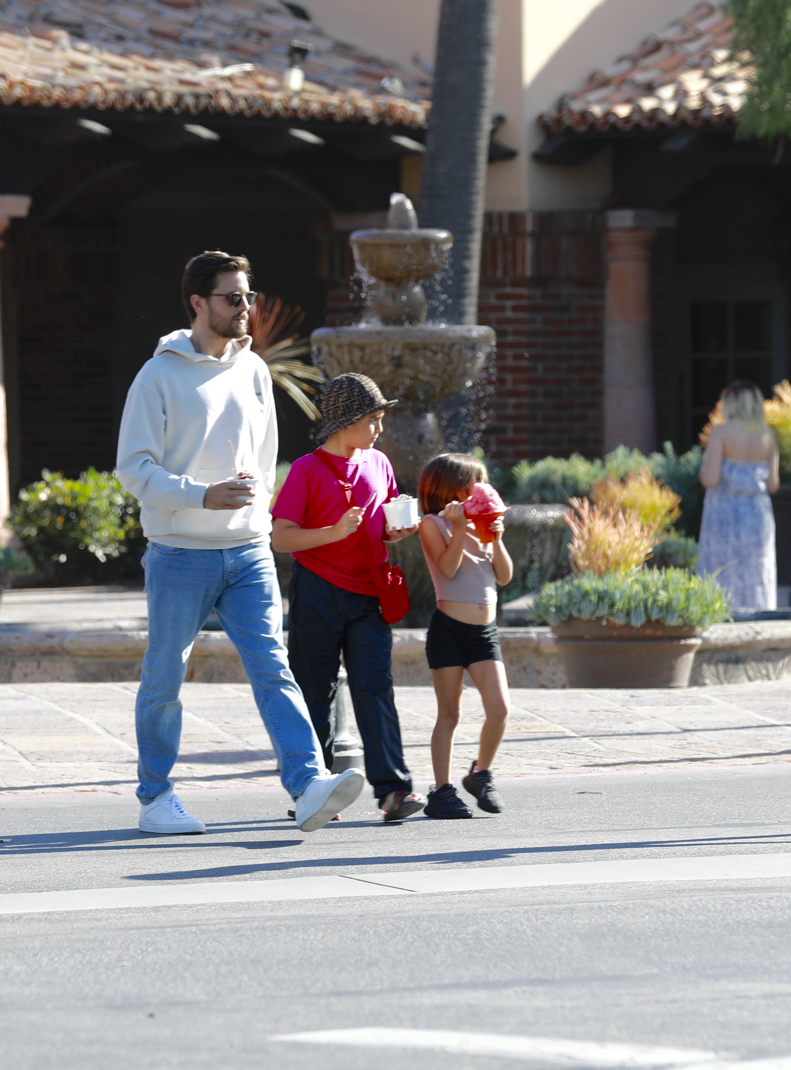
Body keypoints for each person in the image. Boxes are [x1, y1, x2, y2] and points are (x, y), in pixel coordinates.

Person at [117, 250, 365, 835]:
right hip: (180, 551)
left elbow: (263, 453)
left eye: (248, 296)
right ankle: (156, 798)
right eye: (233, 298)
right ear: (197, 302)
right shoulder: (157, 376)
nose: (245, 307)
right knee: (165, 676)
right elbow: (133, 468)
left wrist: (258, 513)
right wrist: (201, 496)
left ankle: (308, 783)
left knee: (274, 669)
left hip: (249, 550)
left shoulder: (253, 369)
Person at [271, 373, 426, 823]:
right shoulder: (306, 469)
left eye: (380, 418)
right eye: (372, 419)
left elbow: (384, 523)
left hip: (369, 593)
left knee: (375, 689)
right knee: (313, 691)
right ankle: (313, 790)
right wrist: (333, 532)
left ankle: (394, 791)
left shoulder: (379, 463)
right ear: (345, 420)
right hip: (317, 591)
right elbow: (281, 537)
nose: (379, 428)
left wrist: (398, 531)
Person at [416, 454, 513, 818]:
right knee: (450, 714)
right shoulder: (432, 524)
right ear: (455, 490)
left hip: (484, 633)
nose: (485, 489)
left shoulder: (484, 525)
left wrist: (496, 539)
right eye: (477, 483)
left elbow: (504, 576)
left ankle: (480, 774)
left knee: (500, 709)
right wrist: (459, 529)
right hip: (449, 631)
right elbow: (447, 569)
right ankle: (441, 790)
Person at [697, 381, 779, 610]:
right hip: (758, 512)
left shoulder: (721, 432)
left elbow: (711, 479)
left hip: (725, 511)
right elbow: (773, 485)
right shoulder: (767, 435)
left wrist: (701, 470)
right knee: (756, 567)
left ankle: (720, 612)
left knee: (722, 564)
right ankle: (758, 612)